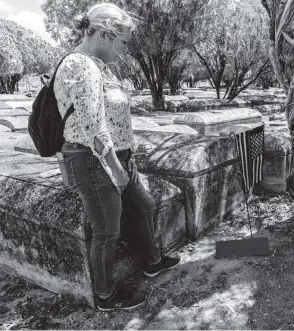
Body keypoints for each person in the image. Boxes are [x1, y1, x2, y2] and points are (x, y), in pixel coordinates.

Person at [54, 3, 180, 311]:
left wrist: (129, 155)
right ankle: (106, 295)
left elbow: (115, 117)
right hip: (93, 161)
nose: (123, 50)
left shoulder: (99, 64)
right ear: (105, 34)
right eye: (122, 42)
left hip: (116, 158)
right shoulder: (80, 65)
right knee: (107, 231)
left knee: (145, 205)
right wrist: (116, 169)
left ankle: (152, 262)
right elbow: (94, 129)